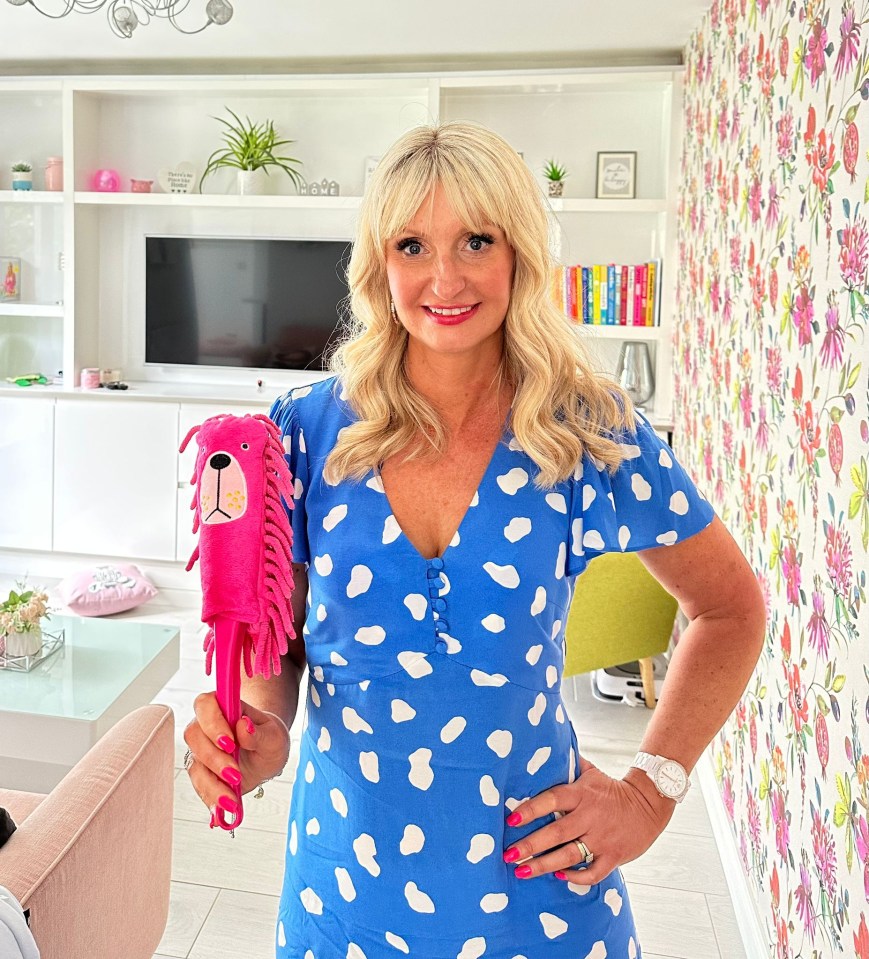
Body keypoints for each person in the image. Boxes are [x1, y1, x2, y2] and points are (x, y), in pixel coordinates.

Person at [183, 120, 766, 957]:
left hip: (538, 886)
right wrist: (264, 725)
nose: (443, 276)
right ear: (378, 264)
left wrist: (649, 793)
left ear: (517, 253)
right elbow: (281, 636)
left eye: (476, 241)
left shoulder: (588, 433)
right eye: (412, 244)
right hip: (346, 881)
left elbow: (729, 608)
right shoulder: (301, 433)